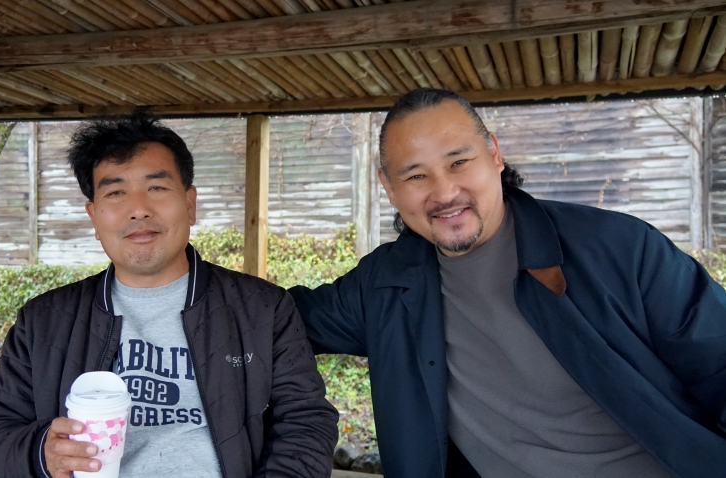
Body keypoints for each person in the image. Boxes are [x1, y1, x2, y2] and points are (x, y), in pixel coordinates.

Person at [289, 88, 726, 478]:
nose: (444, 193)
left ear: (494, 155)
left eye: (459, 162)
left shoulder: (618, 249)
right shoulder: (383, 286)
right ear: (388, 185)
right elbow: (272, 316)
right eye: (416, 175)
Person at [0, 113, 338, 478]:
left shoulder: (263, 309)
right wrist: (41, 453)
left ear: (190, 204)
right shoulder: (44, 322)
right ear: (93, 216)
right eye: (115, 192)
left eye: (157, 188)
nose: (139, 210)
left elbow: (306, 423)